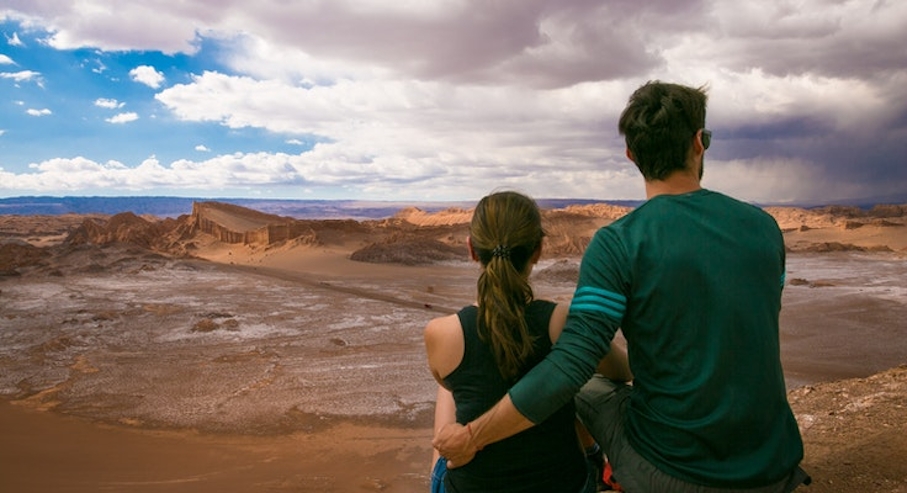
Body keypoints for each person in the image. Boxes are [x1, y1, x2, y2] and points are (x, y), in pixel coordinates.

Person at [433, 81, 810, 492]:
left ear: (631, 155)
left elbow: (570, 367)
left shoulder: (619, 243)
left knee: (583, 386)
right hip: (774, 467)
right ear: (699, 143)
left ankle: (593, 470)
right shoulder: (764, 229)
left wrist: (471, 437)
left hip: (673, 475)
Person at [424, 190, 631, 493]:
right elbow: (622, 371)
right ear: (538, 250)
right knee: (571, 382)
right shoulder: (561, 321)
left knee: (449, 388)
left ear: (471, 249)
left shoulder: (441, 331)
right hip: (565, 484)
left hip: (470, 483)